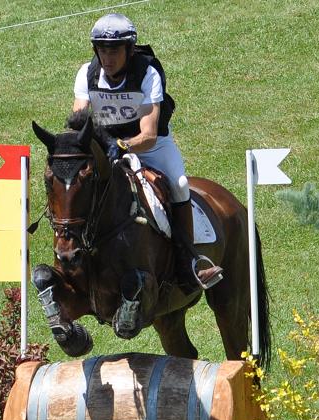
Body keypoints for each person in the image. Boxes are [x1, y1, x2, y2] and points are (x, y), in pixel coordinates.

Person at [72, 13, 223, 290]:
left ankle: (188, 262)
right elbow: (79, 121)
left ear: (129, 50)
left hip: (150, 146)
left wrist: (121, 146)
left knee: (178, 185)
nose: (108, 57)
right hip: (106, 144)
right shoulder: (87, 73)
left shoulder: (147, 73)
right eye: (102, 49)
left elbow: (149, 134)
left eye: (114, 50)